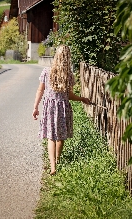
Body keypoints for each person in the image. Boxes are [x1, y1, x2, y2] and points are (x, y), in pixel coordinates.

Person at [32, 45, 90, 175]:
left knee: (51, 137)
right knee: (60, 136)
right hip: (63, 108)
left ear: (56, 56)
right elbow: (69, 96)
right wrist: (81, 99)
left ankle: (53, 167)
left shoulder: (47, 71)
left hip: (50, 108)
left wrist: (36, 107)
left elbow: (40, 90)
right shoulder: (69, 75)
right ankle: (58, 159)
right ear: (68, 58)